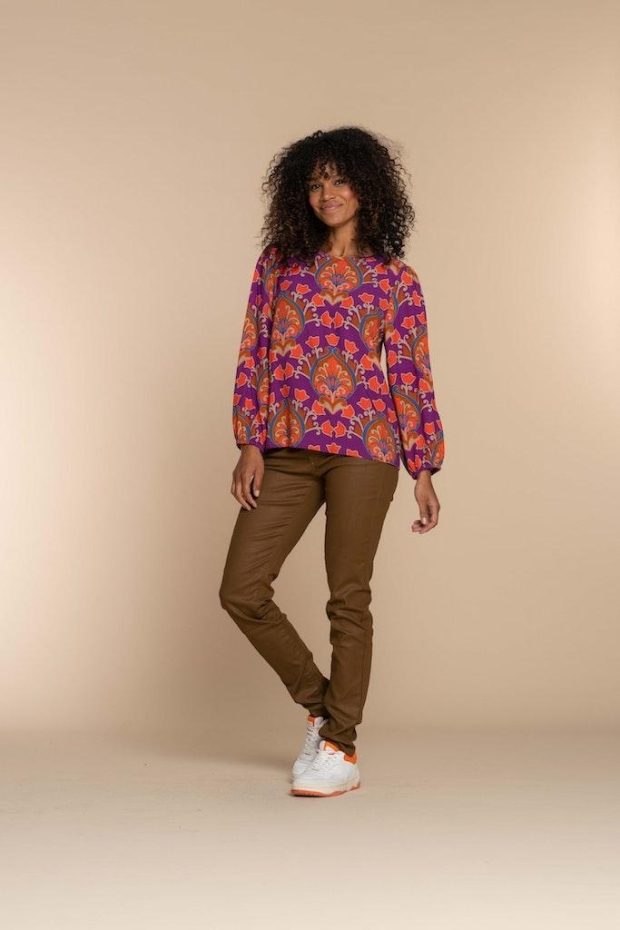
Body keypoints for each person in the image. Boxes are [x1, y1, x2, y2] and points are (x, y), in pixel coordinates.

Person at [218, 126, 445, 798]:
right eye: (315, 183)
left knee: (348, 597)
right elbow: (254, 352)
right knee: (241, 589)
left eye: (340, 180)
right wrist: (250, 441)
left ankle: (341, 749)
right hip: (286, 449)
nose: (327, 194)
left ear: (367, 187)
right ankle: (324, 708)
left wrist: (423, 467)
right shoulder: (279, 264)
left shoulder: (394, 279)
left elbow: (410, 374)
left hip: (365, 451)